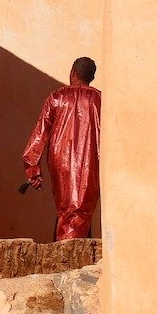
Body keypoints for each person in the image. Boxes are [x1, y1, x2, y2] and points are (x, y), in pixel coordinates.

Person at [22, 57, 101, 241]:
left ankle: (66, 251)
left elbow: (40, 134)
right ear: (92, 76)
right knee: (82, 210)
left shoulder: (56, 98)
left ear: (73, 72)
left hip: (61, 163)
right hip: (89, 163)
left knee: (66, 209)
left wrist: (33, 169)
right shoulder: (99, 99)